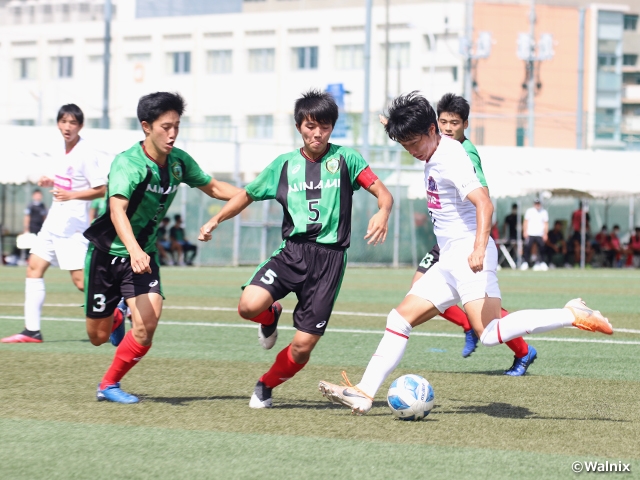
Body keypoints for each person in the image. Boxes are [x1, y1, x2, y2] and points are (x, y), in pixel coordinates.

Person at [318, 92, 613, 415]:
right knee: (399, 319)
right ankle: (364, 392)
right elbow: (413, 135)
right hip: (449, 258)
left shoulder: (450, 157)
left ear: (433, 129)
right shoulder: (431, 148)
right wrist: (394, 124)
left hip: (469, 253)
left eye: (415, 143)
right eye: (405, 145)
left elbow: (484, 203)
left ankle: (571, 314)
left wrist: (478, 248)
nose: (412, 151)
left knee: (489, 333)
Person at [198, 89, 393, 409]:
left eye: (325, 126)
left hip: (329, 263)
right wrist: (216, 220)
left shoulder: (347, 158)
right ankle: (270, 314)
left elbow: (383, 193)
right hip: (293, 252)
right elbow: (247, 195)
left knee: (302, 347)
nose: (317, 133)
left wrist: (383, 211)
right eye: (310, 126)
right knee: (248, 306)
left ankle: (265, 385)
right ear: (299, 126)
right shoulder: (283, 165)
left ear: (333, 128)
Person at [82, 92, 240, 404]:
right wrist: (133, 249)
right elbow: (117, 212)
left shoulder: (179, 162)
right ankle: (115, 317)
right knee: (98, 337)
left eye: (177, 127)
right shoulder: (128, 164)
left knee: (147, 327)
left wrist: (259, 193)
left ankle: (109, 384)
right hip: (107, 255)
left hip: (145, 256)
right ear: (146, 126)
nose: (172, 134)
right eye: (165, 127)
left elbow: (215, 187)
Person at [408, 93, 532, 373]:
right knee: (419, 289)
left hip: (467, 237)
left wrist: (479, 241)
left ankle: (523, 349)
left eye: (454, 123)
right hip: (446, 239)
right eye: (443, 122)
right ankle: (468, 325)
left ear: (465, 124)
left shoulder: (464, 153)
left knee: (484, 313)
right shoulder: (436, 146)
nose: (448, 128)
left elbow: (483, 197)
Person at [2, 104, 107, 344]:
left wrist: (72, 196)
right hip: (53, 223)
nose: (67, 127)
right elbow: (68, 182)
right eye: (63, 122)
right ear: (58, 123)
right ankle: (32, 331)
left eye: (72, 123)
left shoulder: (86, 152)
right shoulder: (61, 148)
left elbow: (101, 189)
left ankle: (121, 306)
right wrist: (51, 181)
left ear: (80, 126)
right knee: (33, 268)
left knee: (81, 282)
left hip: (72, 228)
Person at [521, 198, 549, 270]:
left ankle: (542, 262)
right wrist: (525, 231)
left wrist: (545, 233)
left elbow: (545, 223)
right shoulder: (529, 211)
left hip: (540, 234)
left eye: (538, 203)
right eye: (536, 203)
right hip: (531, 233)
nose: (537, 205)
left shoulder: (544, 212)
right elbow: (526, 222)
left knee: (542, 248)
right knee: (527, 248)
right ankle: (525, 262)